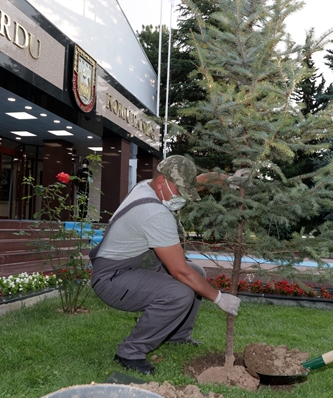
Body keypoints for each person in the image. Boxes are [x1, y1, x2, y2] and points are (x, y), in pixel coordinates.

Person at [89, 155, 241, 375]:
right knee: (180, 291)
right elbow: (180, 271)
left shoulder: (148, 186)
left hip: (135, 264)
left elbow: (199, 180)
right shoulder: (154, 212)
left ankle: (177, 336)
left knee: (196, 272)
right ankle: (130, 352)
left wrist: (229, 180)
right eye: (179, 192)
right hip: (112, 277)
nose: (182, 198)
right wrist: (219, 298)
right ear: (162, 182)